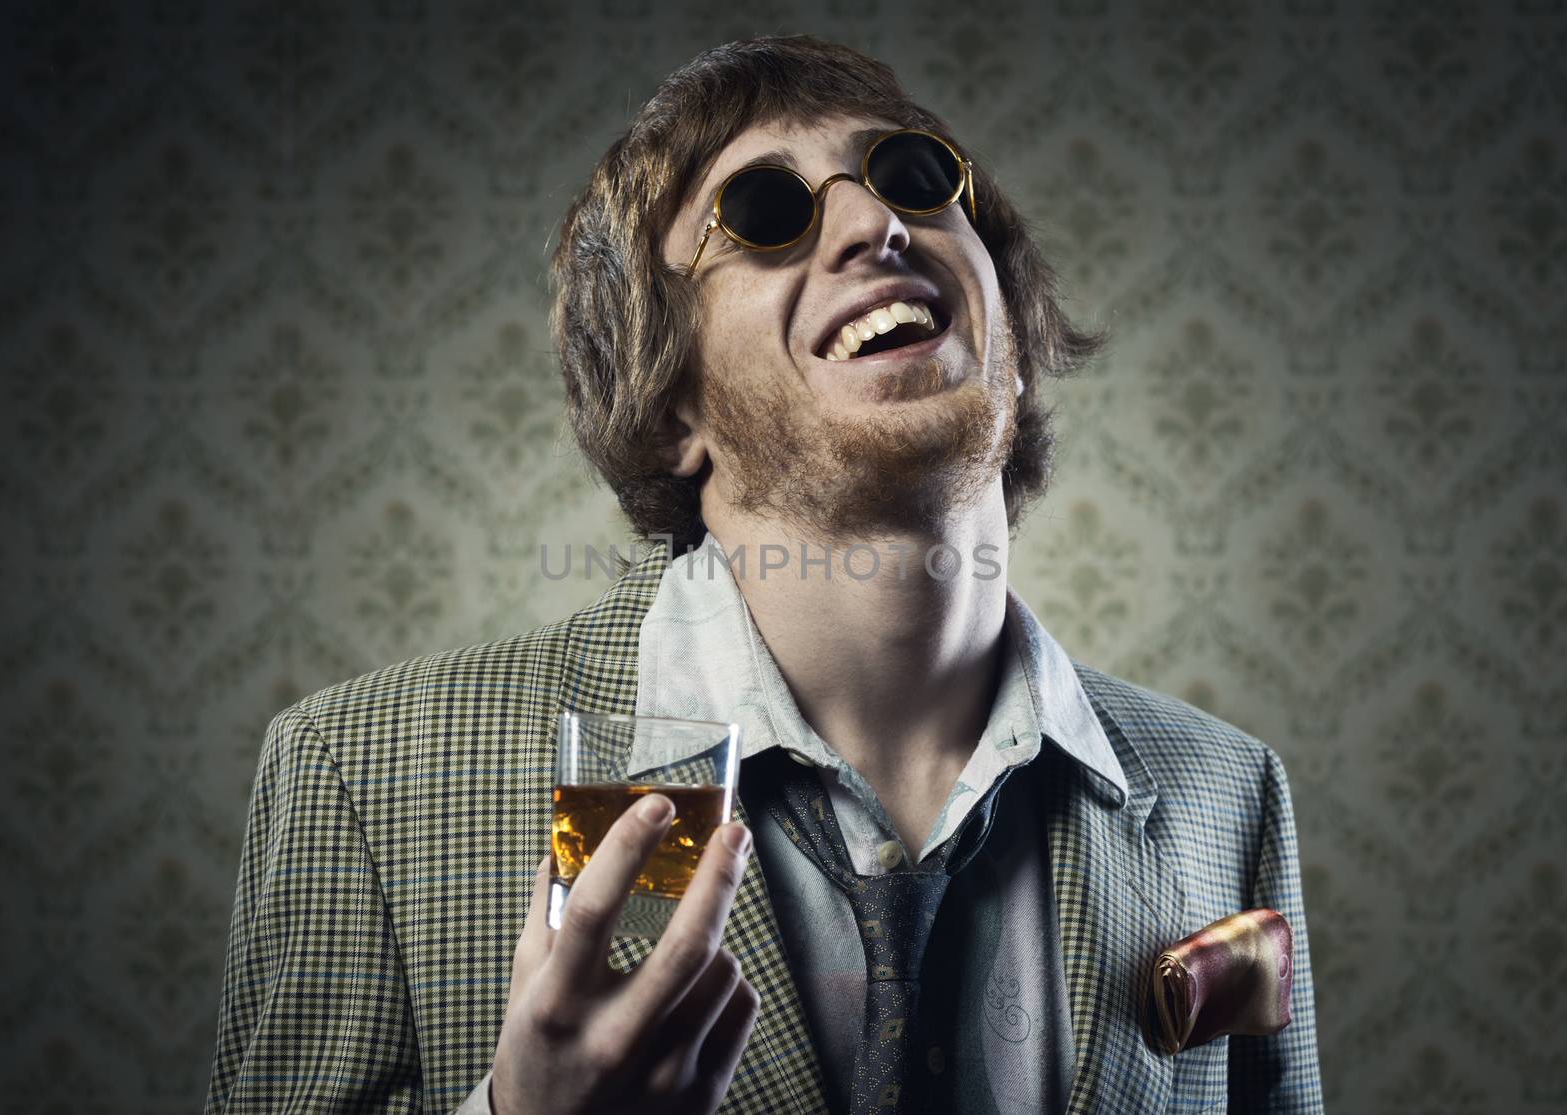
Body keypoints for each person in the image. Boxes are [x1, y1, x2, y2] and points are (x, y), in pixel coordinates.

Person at [205, 35, 1322, 1115]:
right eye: (766, 213)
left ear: (1013, 337)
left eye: (916, 177)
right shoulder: (365, 774)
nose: (875, 222)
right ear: (670, 402)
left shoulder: (1226, 790)